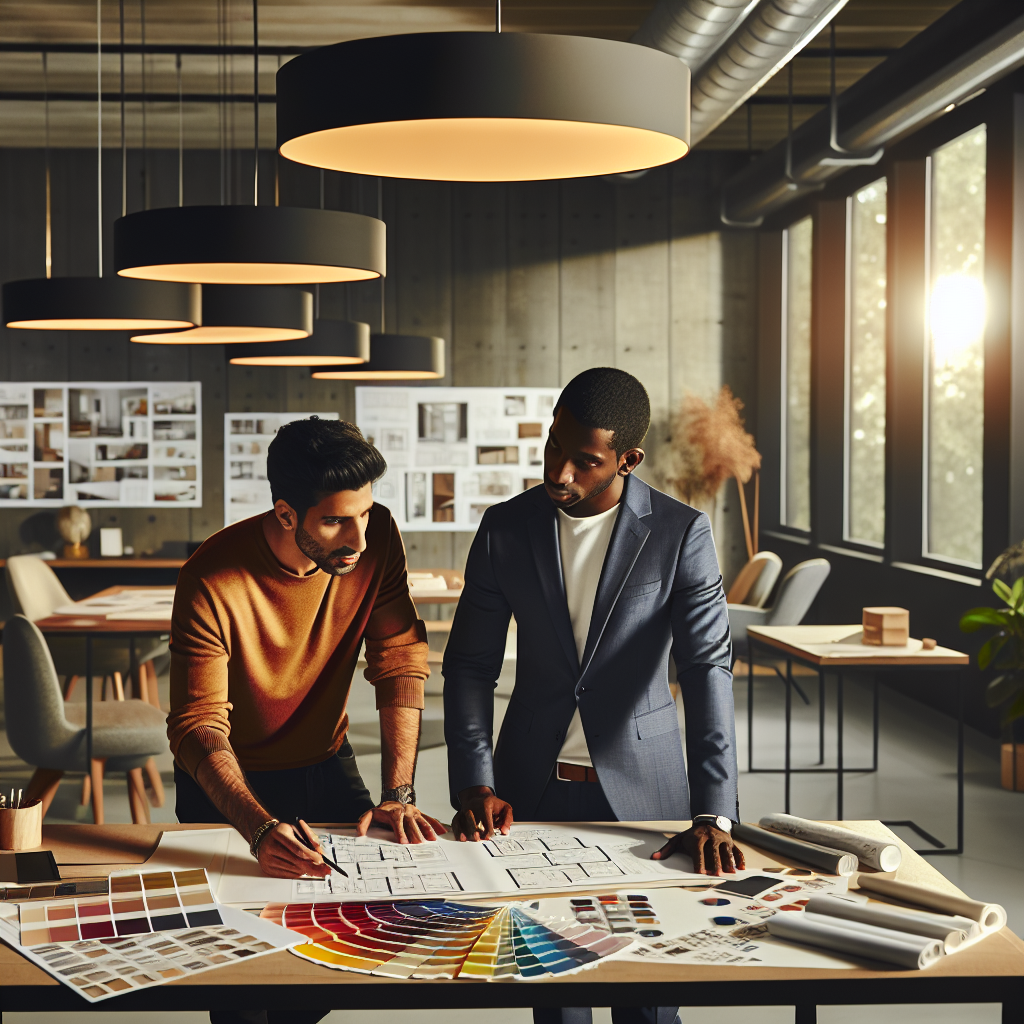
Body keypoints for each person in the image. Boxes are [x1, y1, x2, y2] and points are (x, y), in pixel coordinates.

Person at [443, 367, 743, 1024]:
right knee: (555, 988)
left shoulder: (679, 532)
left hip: (646, 794)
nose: (560, 471)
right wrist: (474, 783)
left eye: (586, 461)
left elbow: (706, 671)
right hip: (529, 792)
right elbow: (469, 666)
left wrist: (714, 812)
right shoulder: (504, 528)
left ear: (627, 460)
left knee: (648, 996)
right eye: (555, 446)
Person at [168, 417, 445, 1024]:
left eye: (365, 513)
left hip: (325, 762)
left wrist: (399, 793)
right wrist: (258, 828)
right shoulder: (210, 577)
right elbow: (197, 725)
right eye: (336, 521)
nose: (359, 537)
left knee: (349, 946)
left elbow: (399, 659)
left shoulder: (375, 537)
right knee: (240, 980)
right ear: (286, 513)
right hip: (228, 782)